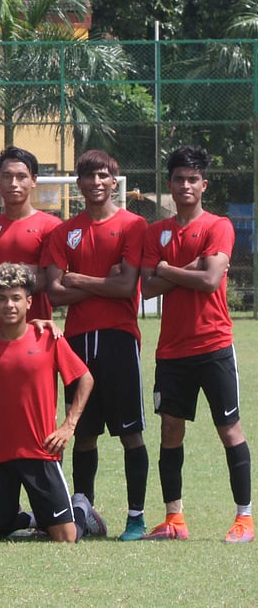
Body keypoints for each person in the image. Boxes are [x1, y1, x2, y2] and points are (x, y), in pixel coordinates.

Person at [139, 146, 252, 543]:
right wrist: (187, 269)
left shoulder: (219, 225)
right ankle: (175, 520)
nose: (185, 185)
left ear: (204, 185)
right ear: (169, 185)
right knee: (171, 430)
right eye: (179, 179)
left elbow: (209, 280)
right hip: (171, 350)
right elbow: (148, 287)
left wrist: (168, 268)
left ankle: (244, 519)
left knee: (229, 429)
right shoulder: (156, 232)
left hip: (214, 344)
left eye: (193, 179)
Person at [43, 149, 150, 540]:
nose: (96, 183)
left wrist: (78, 279)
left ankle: (135, 517)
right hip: (75, 343)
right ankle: (83, 512)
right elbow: (53, 294)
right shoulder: (62, 231)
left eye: (103, 175)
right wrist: (102, 282)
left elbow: (126, 288)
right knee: (84, 433)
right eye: (88, 176)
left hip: (119, 339)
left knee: (129, 433)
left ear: (113, 180)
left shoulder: (134, 225)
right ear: (79, 183)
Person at [0, 263, 96, 542]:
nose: (9, 304)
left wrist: (69, 426)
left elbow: (85, 378)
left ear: (29, 302)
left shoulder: (48, 338)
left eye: (16, 298)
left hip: (40, 453)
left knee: (66, 538)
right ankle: (22, 518)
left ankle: (81, 507)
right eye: (2, 298)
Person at [0, 147, 62, 335]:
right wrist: (30, 270)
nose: (13, 183)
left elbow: (46, 280)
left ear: (33, 180)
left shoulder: (52, 226)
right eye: (7, 176)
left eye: (21, 177)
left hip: (36, 329)